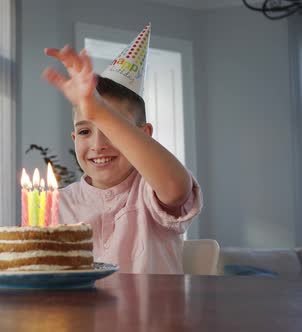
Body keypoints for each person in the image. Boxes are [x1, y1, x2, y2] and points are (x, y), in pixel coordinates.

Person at [42, 24, 203, 274]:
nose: (98, 145)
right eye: (85, 131)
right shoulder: (58, 204)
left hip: (153, 314)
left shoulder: (150, 192)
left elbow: (176, 189)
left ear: (144, 135)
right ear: (74, 137)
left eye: (113, 129)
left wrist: (97, 111)